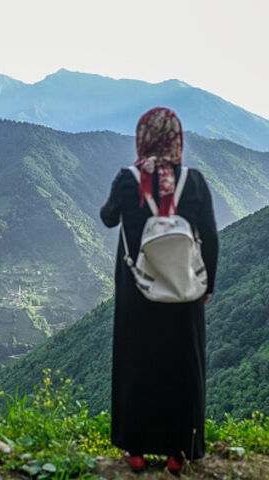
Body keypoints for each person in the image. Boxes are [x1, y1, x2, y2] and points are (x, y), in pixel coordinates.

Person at [100, 107, 218, 473]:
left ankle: (134, 451)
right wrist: (207, 284)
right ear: (176, 140)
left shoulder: (127, 180)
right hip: (184, 290)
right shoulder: (193, 182)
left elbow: (107, 218)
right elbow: (210, 238)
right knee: (182, 367)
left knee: (138, 365)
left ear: (143, 138)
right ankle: (177, 454)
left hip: (139, 291)